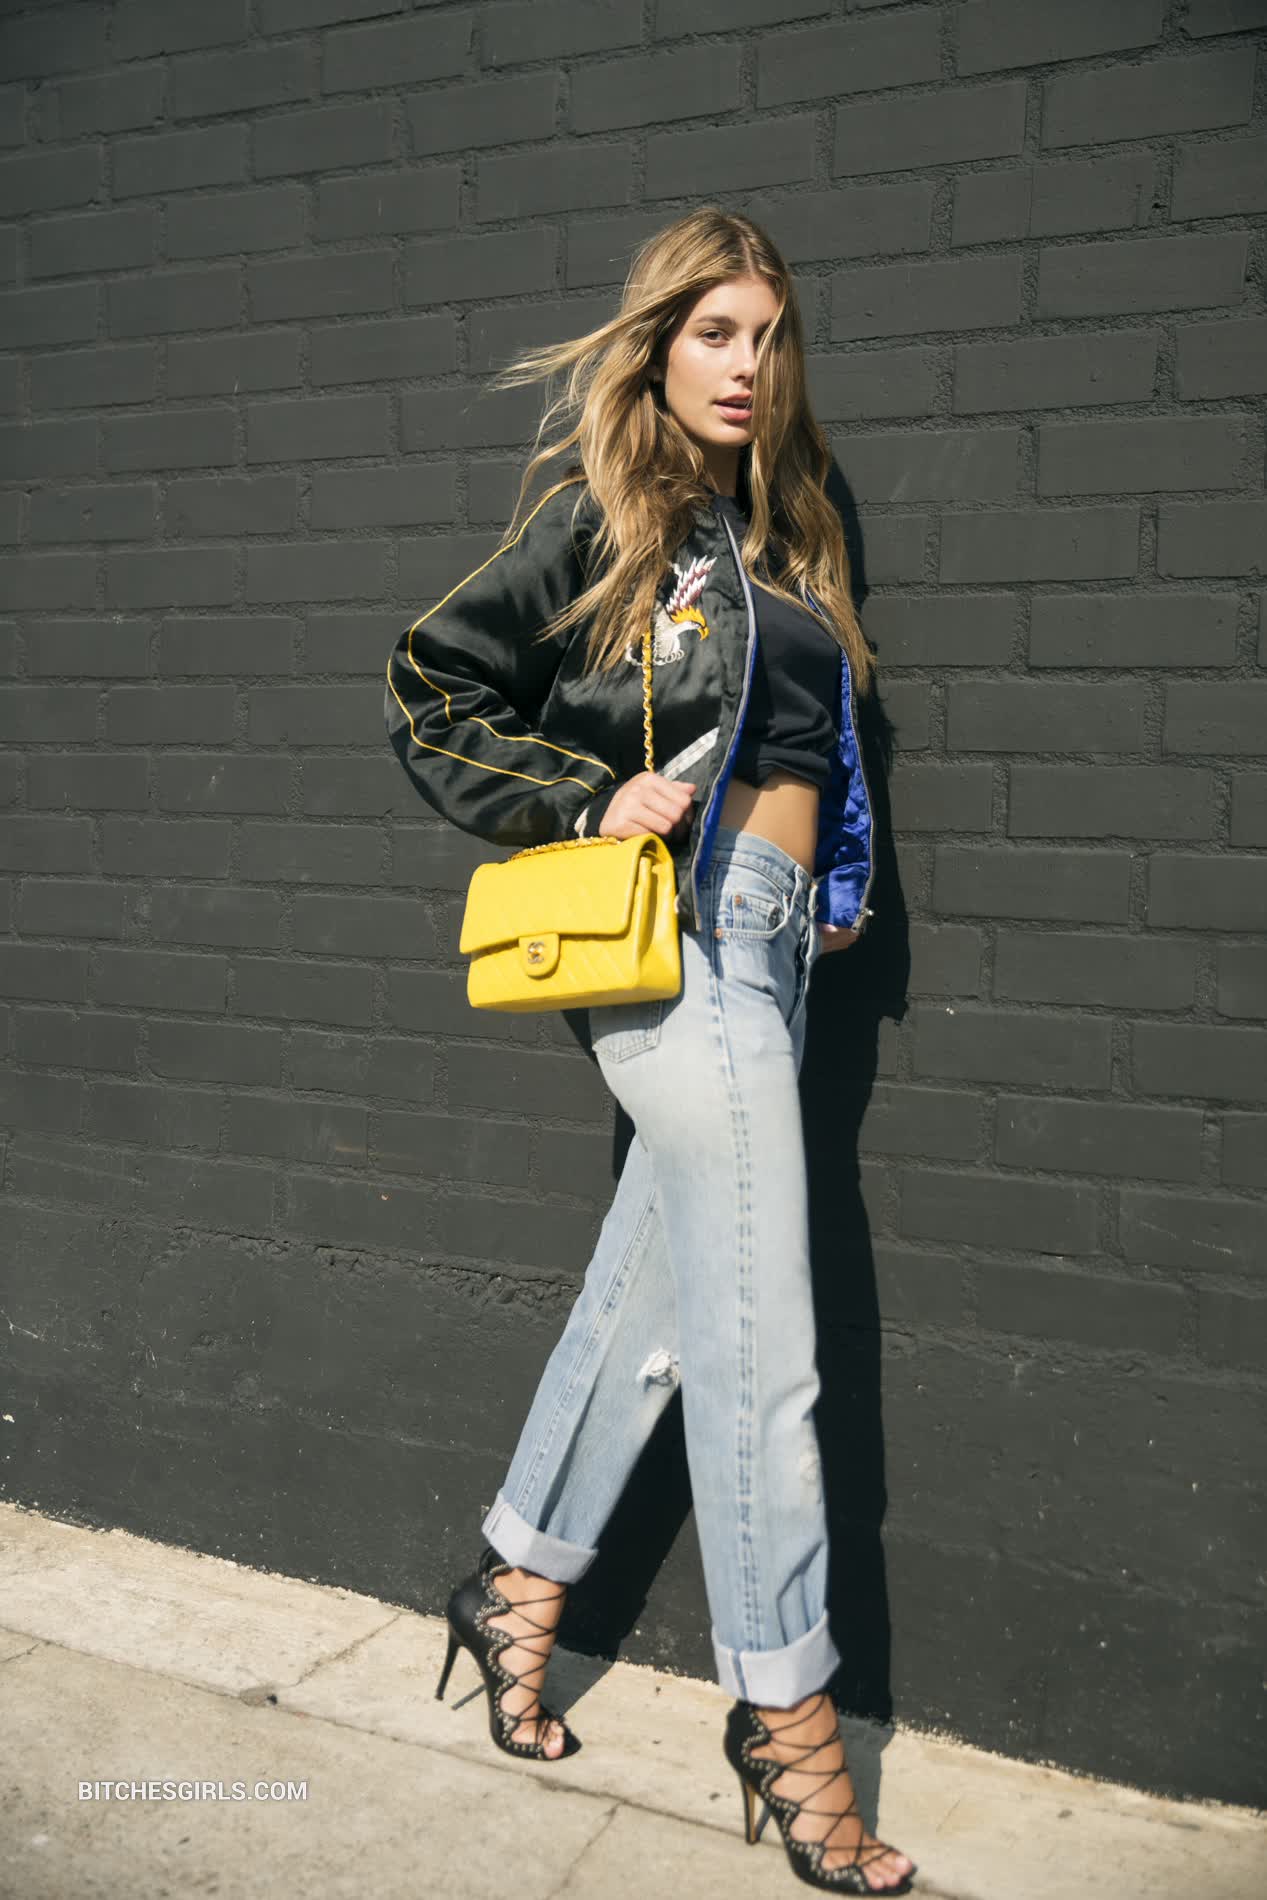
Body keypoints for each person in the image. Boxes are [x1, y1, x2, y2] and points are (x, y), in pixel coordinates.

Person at [384, 207, 916, 1895]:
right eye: (713, 333)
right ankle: (786, 1712)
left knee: (658, 1308)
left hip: (776, 946)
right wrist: (580, 793)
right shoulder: (607, 515)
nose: (745, 365)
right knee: (767, 1345)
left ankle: (513, 1585)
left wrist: (832, 890)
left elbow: (816, 747)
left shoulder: (792, 527)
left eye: (767, 334)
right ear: (659, 345)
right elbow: (431, 680)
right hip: (674, 938)